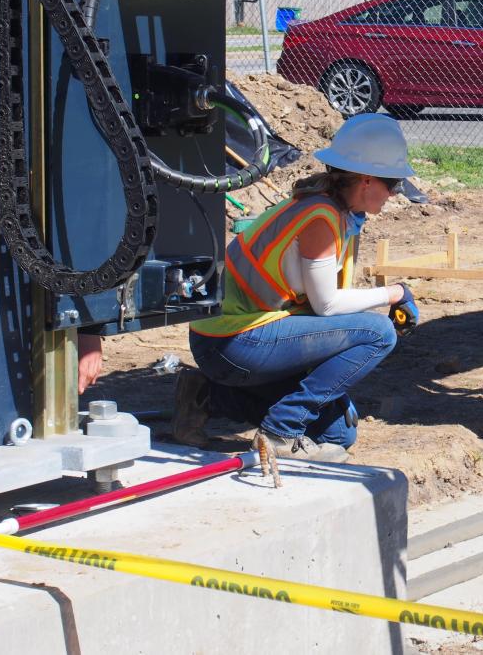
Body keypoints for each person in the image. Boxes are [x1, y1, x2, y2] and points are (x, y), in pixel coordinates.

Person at [174, 114, 420, 463]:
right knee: (379, 332)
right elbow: (328, 307)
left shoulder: (335, 211)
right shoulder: (320, 217)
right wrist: (394, 294)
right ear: (366, 180)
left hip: (243, 338)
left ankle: (206, 395)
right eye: (393, 183)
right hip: (233, 340)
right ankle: (279, 432)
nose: (395, 193)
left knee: (338, 434)